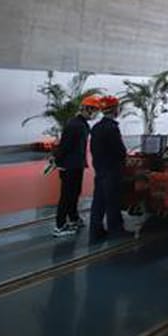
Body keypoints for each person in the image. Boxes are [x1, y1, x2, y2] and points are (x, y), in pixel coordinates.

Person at [52, 95, 96, 236]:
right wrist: (58, 161)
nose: (95, 114)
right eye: (94, 110)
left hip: (76, 165)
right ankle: (60, 225)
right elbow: (65, 146)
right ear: (87, 109)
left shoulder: (82, 124)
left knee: (74, 193)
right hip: (69, 166)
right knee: (67, 195)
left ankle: (73, 218)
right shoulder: (75, 125)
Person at [89, 95, 128, 243]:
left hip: (100, 169)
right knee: (113, 201)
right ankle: (116, 230)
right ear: (115, 110)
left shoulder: (96, 127)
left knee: (98, 201)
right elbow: (119, 151)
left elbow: (93, 149)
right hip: (112, 170)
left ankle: (96, 230)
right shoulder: (112, 128)